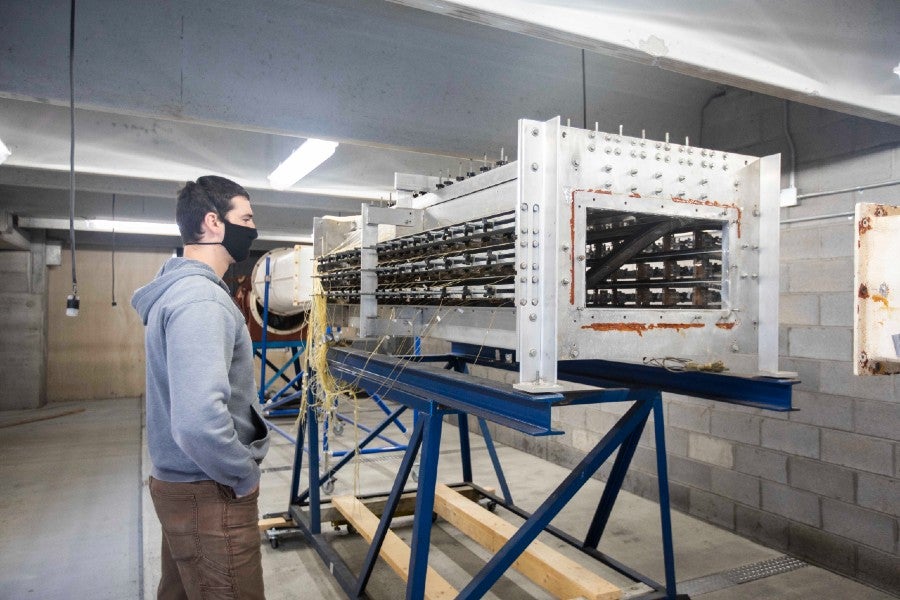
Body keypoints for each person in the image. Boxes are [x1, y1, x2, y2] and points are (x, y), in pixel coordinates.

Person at [132, 175, 270, 600]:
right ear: (213, 222)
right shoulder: (202, 302)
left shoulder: (181, 293)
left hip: (183, 485)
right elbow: (196, 422)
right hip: (208, 490)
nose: (253, 229)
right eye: (245, 218)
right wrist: (242, 474)